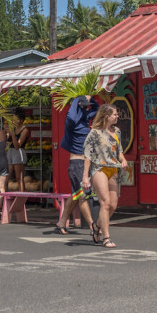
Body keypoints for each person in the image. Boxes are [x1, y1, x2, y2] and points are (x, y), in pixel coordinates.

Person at [82, 104, 127, 248]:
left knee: (113, 205)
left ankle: (96, 226)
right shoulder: (95, 133)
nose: (117, 116)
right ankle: (106, 237)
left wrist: (123, 159)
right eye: (114, 114)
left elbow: (119, 151)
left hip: (114, 168)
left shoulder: (117, 131)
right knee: (105, 202)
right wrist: (85, 177)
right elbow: (88, 156)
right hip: (99, 168)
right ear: (106, 116)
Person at [54, 95, 99, 237]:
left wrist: (91, 99)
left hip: (85, 163)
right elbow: (71, 116)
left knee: (76, 195)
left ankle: (61, 222)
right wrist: (76, 100)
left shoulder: (86, 118)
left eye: (88, 105)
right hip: (76, 163)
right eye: (85, 105)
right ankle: (92, 225)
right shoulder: (71, 122)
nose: (87, 107)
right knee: (82, 196)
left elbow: (97, 109)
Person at [6, 107, 30, 194]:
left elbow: (17, 145)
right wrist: (7, 133)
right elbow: (8, 140)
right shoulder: (14, 128)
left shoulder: (25, 130)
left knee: (19, 177)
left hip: (18, 152)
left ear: (21, 120)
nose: (13, 121)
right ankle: (4, 198)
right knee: (7, 176)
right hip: (10, 152)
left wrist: (12, 133)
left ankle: (21, 198)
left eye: (15, 119)